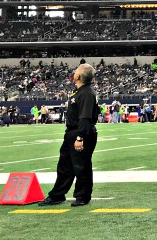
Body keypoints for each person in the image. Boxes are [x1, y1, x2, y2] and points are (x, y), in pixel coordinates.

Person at [39, 64, 100, 207]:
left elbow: (85, 118)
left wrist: (80, 138)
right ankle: (57, 194)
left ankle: (82, 196)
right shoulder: (80, 91)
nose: (74, 72)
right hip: (72, 132)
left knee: (81, 166)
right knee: (65, 165)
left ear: (78, 76)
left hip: (80, 132)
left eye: (76, 71)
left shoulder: (86, 93)